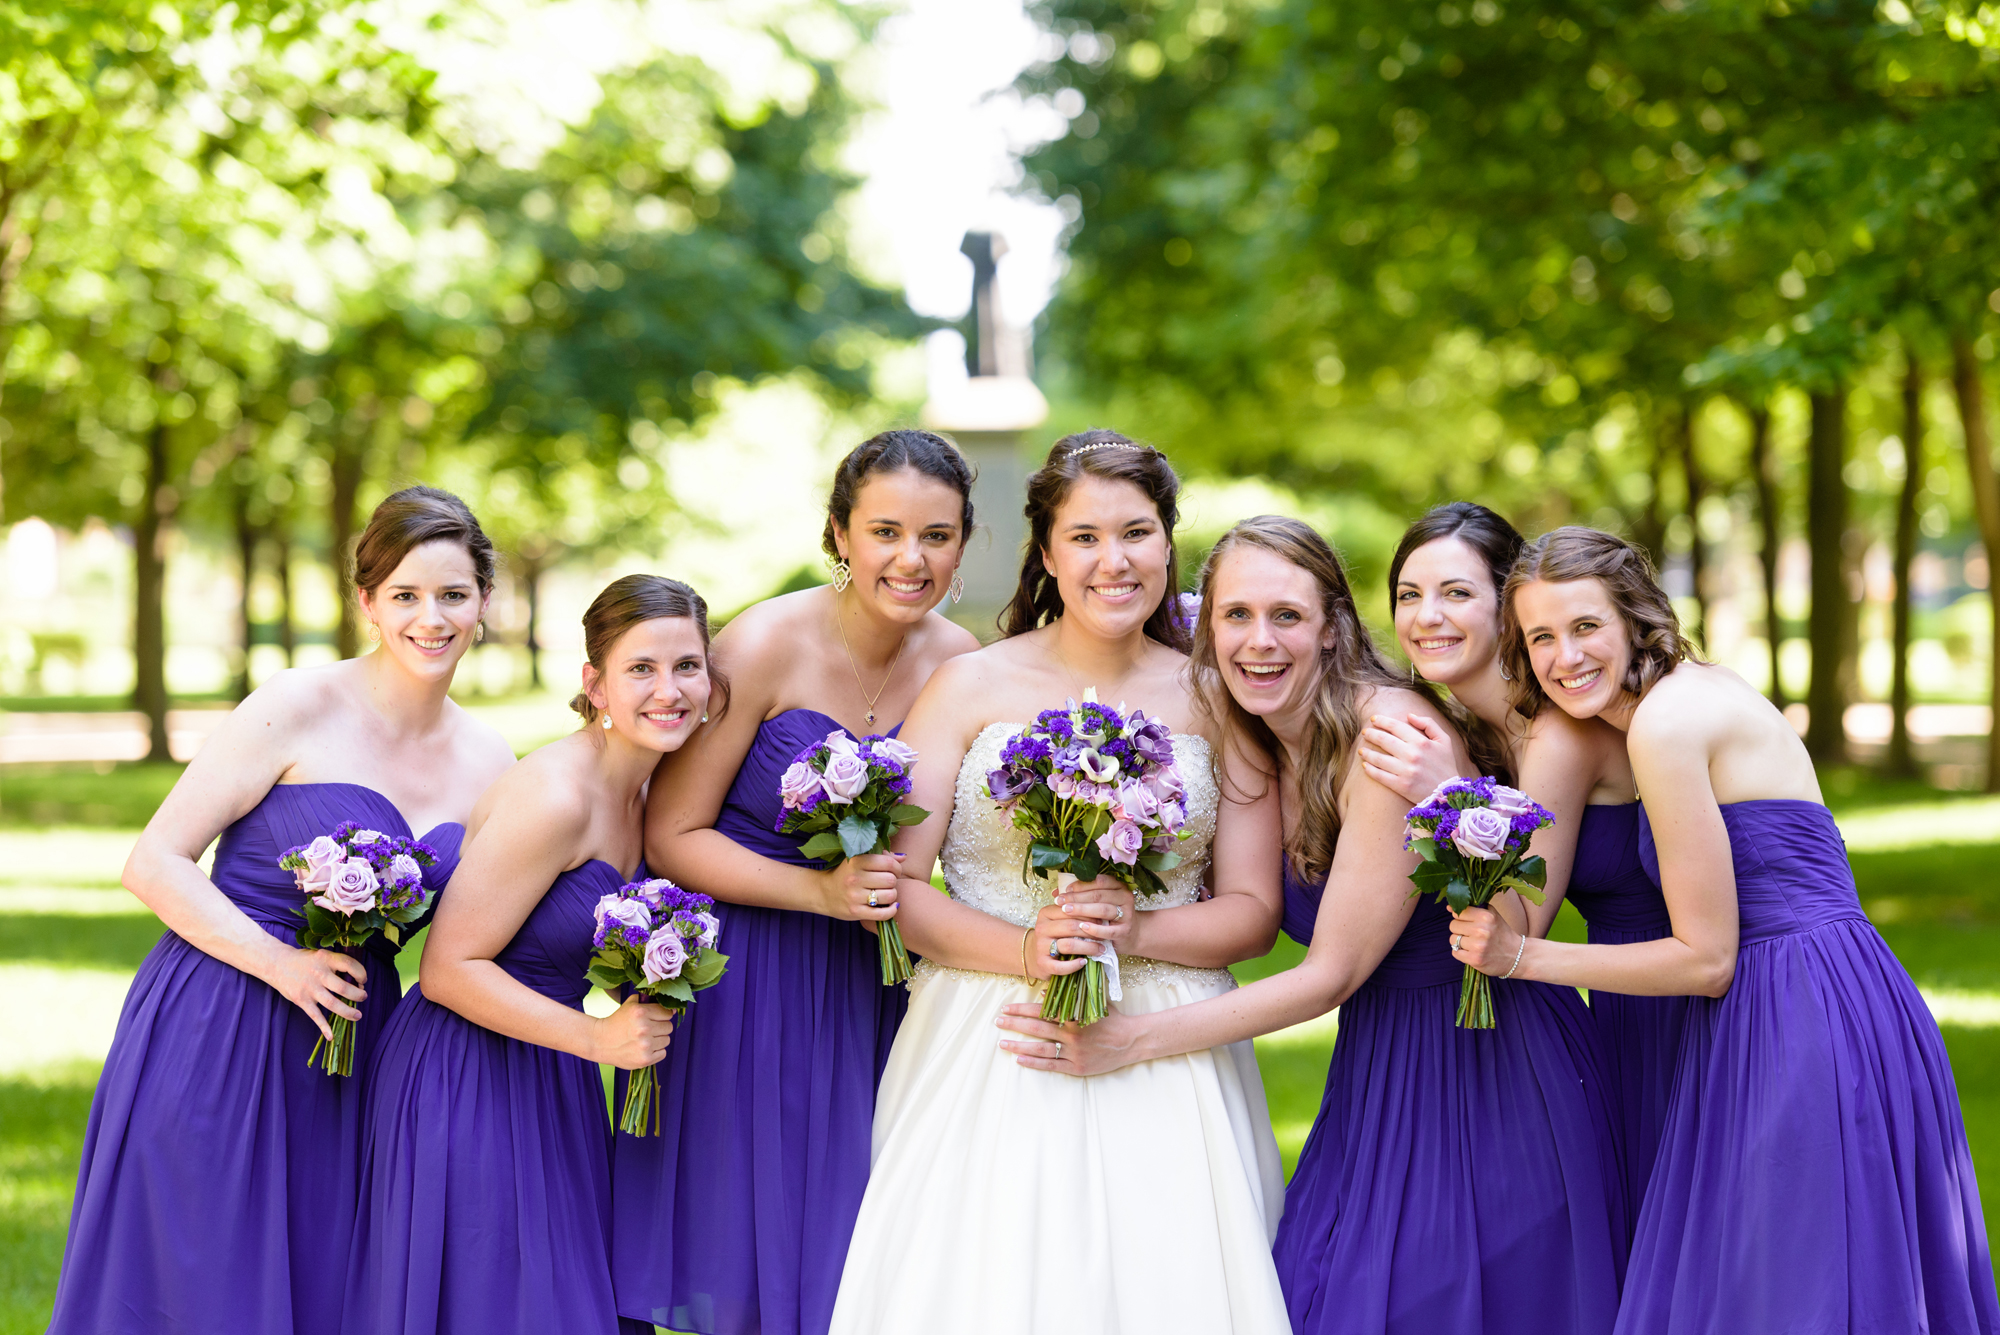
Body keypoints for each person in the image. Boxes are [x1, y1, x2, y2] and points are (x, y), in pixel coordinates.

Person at [997, 514, 1626, 1335]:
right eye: (1237, 616)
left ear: (1332, 627)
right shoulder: (1262, 742)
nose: (1260, 641)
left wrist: (1132, 1039)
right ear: (1204, 628)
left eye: (1287, 616)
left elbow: (1329, 972)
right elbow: (1246, 916)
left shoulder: (1389, 735)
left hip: (1488, 1062)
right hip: (1380, 1062)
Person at [1443, 526, 2000, 1334]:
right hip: (1844, 988)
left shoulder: (1666, 727)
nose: (1565, 656)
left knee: (1785, 1289)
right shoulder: (1701, 687)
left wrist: (1520, 954)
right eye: (1541, 637)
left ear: (1635, 617)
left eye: (1586, 626)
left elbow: (1707, 958)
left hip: (1793, 1015)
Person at [829, 434, 1291, 1335]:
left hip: (1168, 1034)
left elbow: (1253, 915)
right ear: (1046, 553)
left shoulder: (1218, 695)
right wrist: (1029, 949)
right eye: (1084, 537)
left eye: (1137, 533)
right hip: (988, 1030)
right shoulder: (968, 685)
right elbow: (897, 890)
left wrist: (1127, 933)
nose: (1112, 561)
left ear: (1168, 545)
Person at [47, 486, 515, 1335]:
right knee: (201, 1284)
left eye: (453, 593)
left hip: (354, 1055)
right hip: (218, 1020)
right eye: (405, 594)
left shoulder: (492, 761)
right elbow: (152, 861)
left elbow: (478, 938)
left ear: (485, 598)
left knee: (324, 1286)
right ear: (367, 601)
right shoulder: (295, 704)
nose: (431, 617)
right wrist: (283, 963)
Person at [615, 431, 980, 1335]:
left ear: (963, 544)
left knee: (859, 1250)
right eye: (885, 530)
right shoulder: (766, 640)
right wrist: (820, 893)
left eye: (936, 535)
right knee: (755, 1245)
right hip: (753, 982)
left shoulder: (961, 660)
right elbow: (672, 833)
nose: (910, 557)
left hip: (877, 982)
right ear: (839, 535)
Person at [346, 574, 717, 1335]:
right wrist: (600, 1038)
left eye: (687, 665)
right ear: (595, 683)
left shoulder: (650, 797)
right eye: (641, 669)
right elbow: (448, 968)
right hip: (465, 1074)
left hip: (552, 1071)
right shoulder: (557, 794)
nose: (668, 689)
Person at [1356, 501, 1684, 1220]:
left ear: (1508, 609)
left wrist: (1446, 795)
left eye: (1456, 592)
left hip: (1676, 998)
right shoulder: (1476, 728)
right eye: (1408, 595)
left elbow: (1523, 917)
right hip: (1620, 996)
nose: (1425, 616)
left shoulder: (1561, 730)